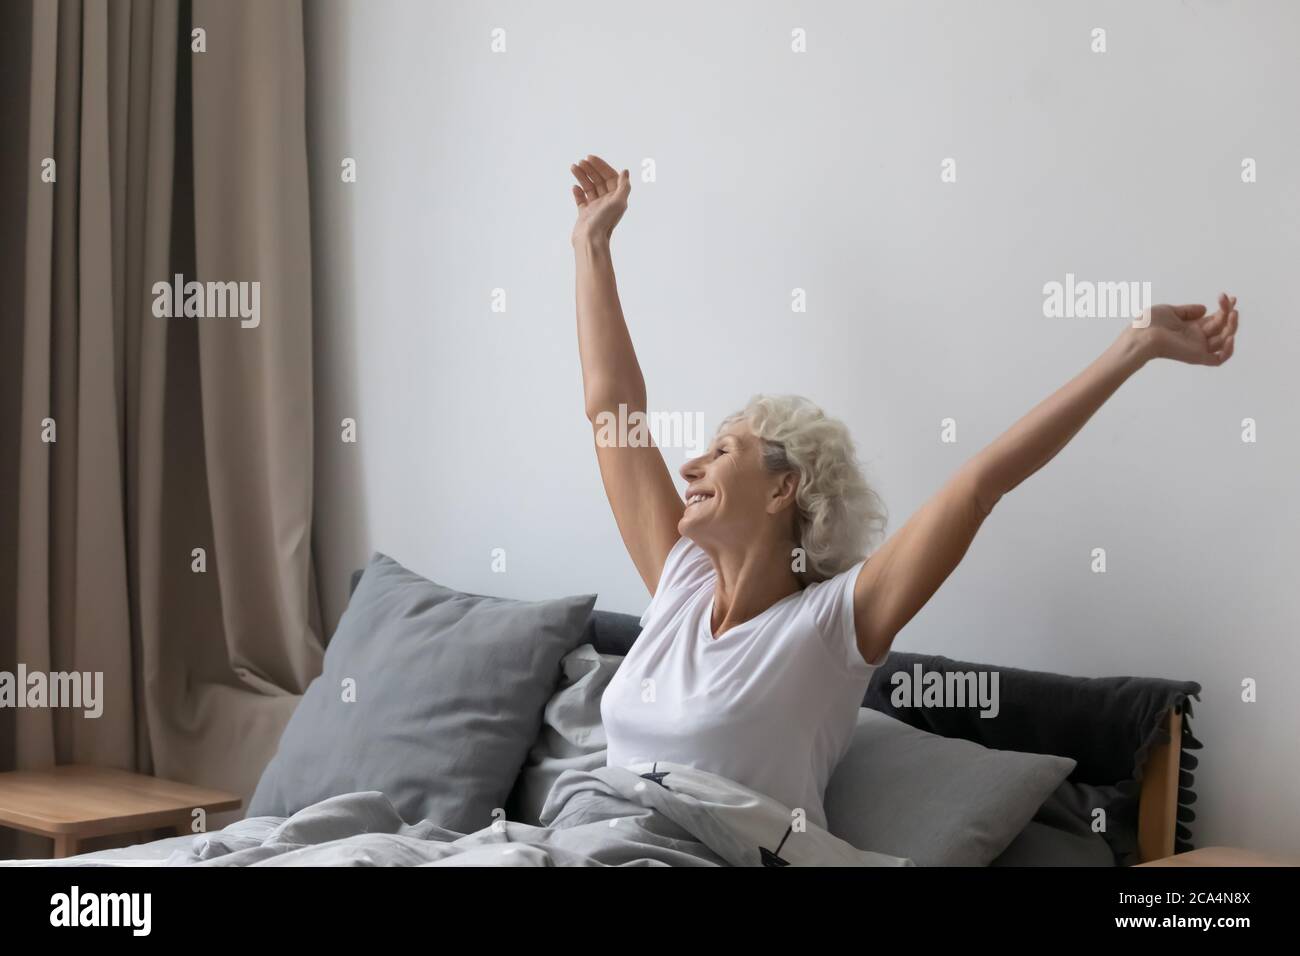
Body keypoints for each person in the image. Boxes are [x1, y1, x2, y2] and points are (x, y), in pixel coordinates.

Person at [569, 153, 1239, 828]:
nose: (689, 468)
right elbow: (613, 411)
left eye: (722, 453)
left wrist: (1135, 346)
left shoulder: (828, 628)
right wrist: (591, 244)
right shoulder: (679, 586)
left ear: (783, 491)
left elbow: (980, 484)